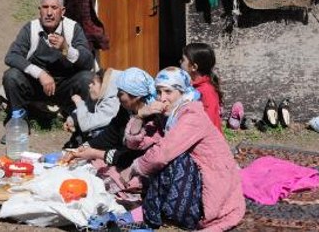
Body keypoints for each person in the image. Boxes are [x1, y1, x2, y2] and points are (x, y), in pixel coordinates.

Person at [121, 67, 245, 231]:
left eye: (168, 92)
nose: (162, 98)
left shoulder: (192, 115)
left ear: (181, 92)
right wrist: (139, 117)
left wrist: (133, 168)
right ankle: (154, 211)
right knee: (157, 155)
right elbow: (136, 144)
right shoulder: (170, 116)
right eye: (158, 92)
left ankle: (150, 217)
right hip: (195, 179)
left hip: (214, 183)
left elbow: (163, 153)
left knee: (168, 157)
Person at [69, 67, 164, 206]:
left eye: (121, 93)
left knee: (100, 184)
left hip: (138, 169)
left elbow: (131, 156)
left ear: (136, 97)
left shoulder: (152, 120)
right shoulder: (127, 109)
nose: (117, 96)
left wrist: (94, 153)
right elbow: (111, 133)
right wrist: (85, 146)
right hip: (122, 157)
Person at [2, 0, 94, 131]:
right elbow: (12, 56)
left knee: (87, 78)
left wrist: (66, 49)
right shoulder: (31, 29)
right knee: (11, 75)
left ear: (62, 11)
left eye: (54, 8)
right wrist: (40, 74)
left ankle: (85, 124)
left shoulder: (72, 28)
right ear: (40, 10)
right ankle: (19, 124)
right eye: (45, 7)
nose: (49, 13)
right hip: (37, 86)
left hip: (65, 87)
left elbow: (88, 63)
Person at [63, 67, 121, 148]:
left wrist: (79, 103)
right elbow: (86, 108)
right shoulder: (99, 99)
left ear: (105, 87)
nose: (89, 85)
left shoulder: (112, 107)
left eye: (94, 83)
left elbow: (86, 124)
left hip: (106, 149)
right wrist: (72, 119)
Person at [180, 42, 223, 129]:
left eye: (183, 59)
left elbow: (208, 122)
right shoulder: (192, 86)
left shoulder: (206, 91)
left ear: (194, 67)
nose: (180, 61)